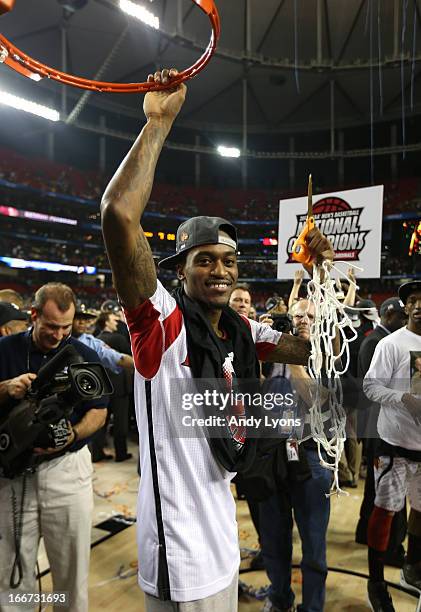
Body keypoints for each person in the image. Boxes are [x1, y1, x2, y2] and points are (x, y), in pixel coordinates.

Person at [100, 68, 334, 610]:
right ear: (179, 269)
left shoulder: (240, 327)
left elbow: (303, 350)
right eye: (205, 261)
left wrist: (319, 271)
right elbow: (117, 214)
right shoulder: (162, 321)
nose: (221, 272)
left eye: (229, 261)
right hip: (178, 551)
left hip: (221, 534)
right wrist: (159, 123)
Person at [0, 282, 108, 612]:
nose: (59, 335)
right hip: (13, 471)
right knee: (11, 572)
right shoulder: (5, 350)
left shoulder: (84, 354)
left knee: (71, 573)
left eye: (65, 327)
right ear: (33, 315)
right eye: (50, 326)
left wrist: (72, 434)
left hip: (66, 469)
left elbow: (99, 411)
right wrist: (6, 389)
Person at [260, 299, 332, 612]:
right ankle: (279, 598)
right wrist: (258, 345)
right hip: (272, 455)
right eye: (298, 314)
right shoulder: (269, 353)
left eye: (310, 316)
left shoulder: (329, 355)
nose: (303, 320)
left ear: (320, 321)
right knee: (274, 541)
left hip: (311, 455)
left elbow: (315, 398)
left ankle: (313, 607)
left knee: (313, 545)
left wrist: (292, 356)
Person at [363, 281, 421, 611]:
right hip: (394, 445)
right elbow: (370, 387)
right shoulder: (391, 344)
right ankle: (375, 580)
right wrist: (403, 399)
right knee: (385, 510)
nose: (418, 305)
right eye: (412, 300)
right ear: (404, 307)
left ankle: (411, 568)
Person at [355, 297, 408, 565]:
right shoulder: (376, 342)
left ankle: (366, 535)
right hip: (380, 427)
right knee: (389, 493)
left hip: (382, 426)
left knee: (376, 489)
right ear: (388, 315)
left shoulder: (380, 340)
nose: (406, 321)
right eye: (402, 316)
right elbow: (371, 392)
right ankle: (389, 549)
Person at [72, 303, 133, 461]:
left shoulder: (92, 340)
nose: (83, 323)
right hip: (109, 390)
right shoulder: (55, 339)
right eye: (78, 319)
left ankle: (96, 453)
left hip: (89, 395)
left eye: (86, 320)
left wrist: (148, 367)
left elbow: (117, 357)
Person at [96, 311, 134, 462]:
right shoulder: (118, 338)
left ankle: (97, 453)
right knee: (120, 423)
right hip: (119, 386)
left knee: (101, 422)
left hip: (103, 386)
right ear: (106, 322)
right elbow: (130, 356)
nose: (116, 323)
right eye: (113, 320)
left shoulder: (96, 339)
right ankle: (121, 453)